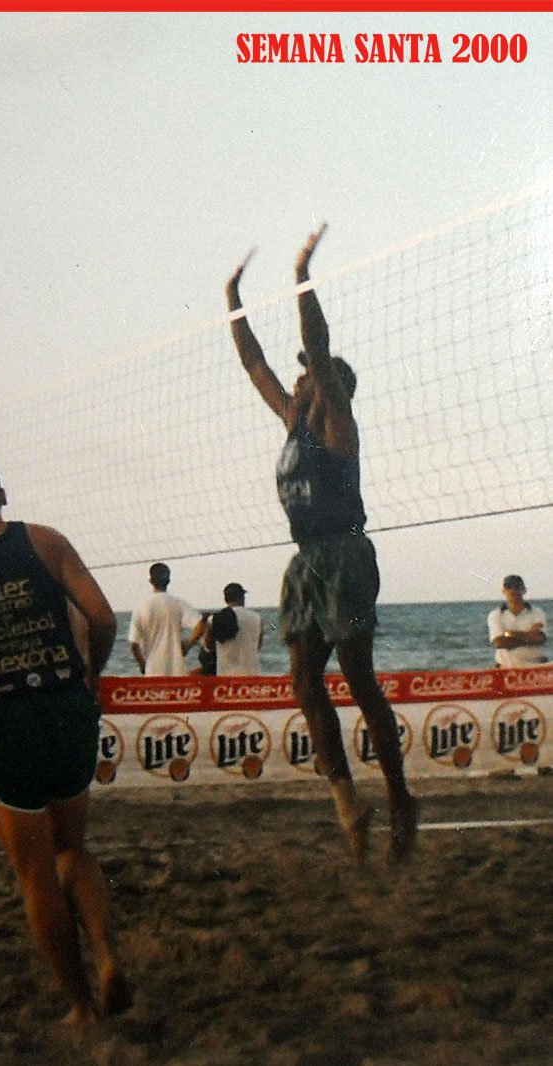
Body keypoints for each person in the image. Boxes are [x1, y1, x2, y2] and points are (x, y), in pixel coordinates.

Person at [0, 453, 131, 1030]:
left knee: (35, 871)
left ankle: (82, 1006)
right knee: (73, 850)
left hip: (3, 719)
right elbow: (105, 619)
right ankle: (108, 956)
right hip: (66, 710)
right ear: (2, 493)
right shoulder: (46, 540)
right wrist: (92, 676)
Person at [226, 225, 418, 865]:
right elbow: (255, 364)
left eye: (311, 374)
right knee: (306, 687)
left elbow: (318, 343)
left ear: (330, 385)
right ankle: (346, 798)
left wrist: (301, 275)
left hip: (345, 556)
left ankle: (399, 798)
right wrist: (233, 302)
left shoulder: (338, 419)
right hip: (306, 560)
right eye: (303, 376)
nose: (300, 377)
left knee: (360, 681)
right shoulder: (289, 419)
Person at [128, 563, 206, 676]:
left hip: (152, 672)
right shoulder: (178, 604)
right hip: (177, 671)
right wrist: (188, 644)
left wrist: (142, 665)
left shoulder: (141, 607)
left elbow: (134, 645)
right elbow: (201, 624)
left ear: (150, 580)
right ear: (168, 580)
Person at [488, 575, 547, 667]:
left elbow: (539, 638)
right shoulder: (496, 615)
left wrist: (511, 635)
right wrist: (529, 636)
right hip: (506, 668)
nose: (512, 590)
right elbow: (499, 642)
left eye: (516, 587)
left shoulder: (537, 612)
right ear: (503, 591)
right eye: (509, 587)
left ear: (524, 590)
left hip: (536, 666)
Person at [209, 582, 264, 676]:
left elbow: (209, 646)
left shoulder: (214, 619)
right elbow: (258, 646)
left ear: (225, 599)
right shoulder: (257, 618)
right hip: (253, 673)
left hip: (225, 674)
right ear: (242, 597)